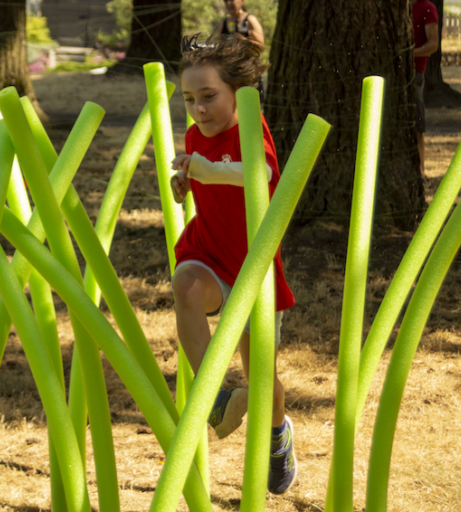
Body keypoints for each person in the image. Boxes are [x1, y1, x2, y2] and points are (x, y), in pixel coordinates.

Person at [169, 34, 297, 495]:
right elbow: (203, 176)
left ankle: (278, 435)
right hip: (209, 251)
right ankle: (217, 397)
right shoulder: (193, 135)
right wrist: (187, 182)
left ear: (237, 93)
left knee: (261, 379)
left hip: (254, 267)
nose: (199, 110)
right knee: (184, 286)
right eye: (189, 99)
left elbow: (258, 176)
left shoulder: (251, 129)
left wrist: (203, 169)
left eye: (209, 97)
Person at [412, 0, 439, 175]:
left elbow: (433, 44)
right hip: (394, 74)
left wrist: (410, 53)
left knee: (417, 125)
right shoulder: (402, 6)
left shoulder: (427, 8)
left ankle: (421, 171)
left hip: (415, 74)